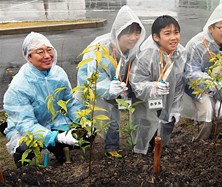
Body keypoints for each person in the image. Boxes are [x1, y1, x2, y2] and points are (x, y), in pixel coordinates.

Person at [3, 32, 82, 168]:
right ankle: (24, 166)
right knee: (26, 145)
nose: (47, 56)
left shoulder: (58, 74)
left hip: (54, 122)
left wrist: (81, 121)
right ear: (28, 57)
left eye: (49, 50)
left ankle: (60, 151)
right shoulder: (20, 85)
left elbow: (70, 102)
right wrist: (56, 137)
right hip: (24, 128)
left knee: (81, 135)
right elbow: (26, 124)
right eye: (40, 52)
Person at [77, 5, 145, 158]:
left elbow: (135, 71)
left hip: (115, 87)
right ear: (118, 32)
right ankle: (83, 150)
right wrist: (108, 88)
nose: (134, 38)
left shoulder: (132, 49)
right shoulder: (101, 48)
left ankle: (111, 148)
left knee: (113, 116)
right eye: (129, 34)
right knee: (92, 118)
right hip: (93, 89)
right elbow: (94, 77)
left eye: (137, 33)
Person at [129, 15, 186, 154]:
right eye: (167, 33)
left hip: (167, 99)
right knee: (146, 124)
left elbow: (179, 84)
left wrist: (175, 108)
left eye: (176, 32)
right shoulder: (147, 54)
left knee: (166, 123)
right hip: (147, 101)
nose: (173, 37)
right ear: (156, 37)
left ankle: (160, 149)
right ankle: (141, 152)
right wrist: (152, 87)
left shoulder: (180, 53)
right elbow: (137, 82)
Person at [182, 4, 222, 141]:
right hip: (195, 85)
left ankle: (220, 137)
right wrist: (211, 85)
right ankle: (201, 143)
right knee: (207, 111)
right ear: (211, 28)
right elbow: (190, 73)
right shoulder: (197, 44)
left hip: (218, 85)